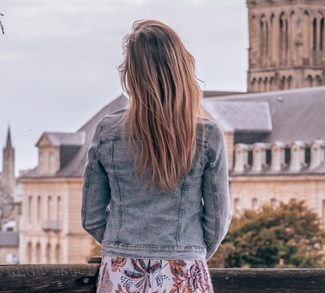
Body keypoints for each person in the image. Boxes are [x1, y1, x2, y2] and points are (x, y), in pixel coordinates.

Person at [82, 20, 231, 293]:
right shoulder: (208, 135)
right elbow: (218, 220)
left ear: (131, 75)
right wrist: (189, 250)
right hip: (183, 269)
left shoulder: (107, 130)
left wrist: (122, 244)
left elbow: (91, 217)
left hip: (120, 270)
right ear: (182, 68)